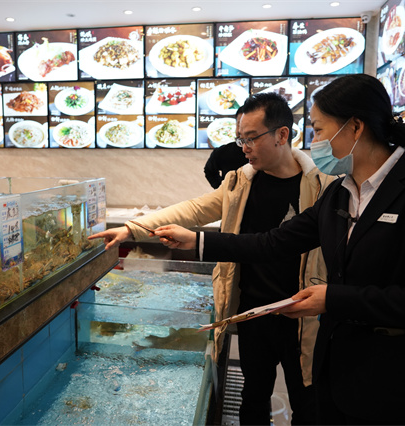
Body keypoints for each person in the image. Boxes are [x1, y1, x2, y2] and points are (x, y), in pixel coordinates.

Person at [153, 74, 405, 425]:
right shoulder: (340, 193)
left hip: (398, 383)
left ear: (355, 127)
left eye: (319, 130)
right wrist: (198, 241)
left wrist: (333, 299)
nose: (314, 142)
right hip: (337, 373)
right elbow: (275, 242)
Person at [90, 92, 334, 425]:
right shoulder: (239, 181)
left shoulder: (322, 186)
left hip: (303, 311)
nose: (244, 148)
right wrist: (133, 228)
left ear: (282, 134)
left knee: (307, 400)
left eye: (251, 138)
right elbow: (194, 209)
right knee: (253, 396)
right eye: (240, 139)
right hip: (253, 310)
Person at [204, 108, 248, 188]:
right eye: (239, 124)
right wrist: (222, 189)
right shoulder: (223, 151)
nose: (241, 130)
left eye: (246, 125)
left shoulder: (264, 153)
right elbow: (209, 171)